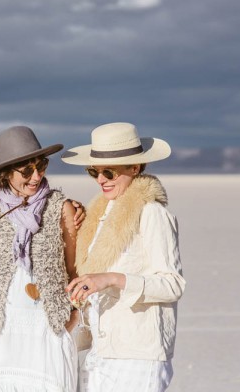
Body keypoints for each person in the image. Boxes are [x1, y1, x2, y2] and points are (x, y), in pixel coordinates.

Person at [63, 122, 186, 392]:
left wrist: (112, 279)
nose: (100, 179)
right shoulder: (100, 217)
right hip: (102, 351)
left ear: (135, 167)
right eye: (93, 171)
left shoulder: (152, 214)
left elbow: (172, 284)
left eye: (109, 172)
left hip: (138, 354)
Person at [0, 126, 80, 391]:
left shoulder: (61, 208)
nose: (36, 176)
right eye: (27, 171)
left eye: (41, 166)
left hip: (45, 331)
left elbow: (74, 269)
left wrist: (73, 316)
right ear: (6, 173)